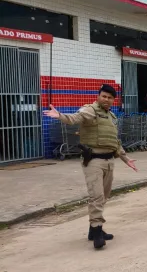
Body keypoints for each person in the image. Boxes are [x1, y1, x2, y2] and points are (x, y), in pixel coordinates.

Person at [44, 84, 138, 249]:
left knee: (103, 196)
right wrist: (59, 115)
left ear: (113, 100)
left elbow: (115, 142)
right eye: (104, 96)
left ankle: (92, 229)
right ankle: (97, 232)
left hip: (109, 162)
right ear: (98, 96)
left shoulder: (112, 117)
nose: (106, 100)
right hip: (93, 161)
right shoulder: (90, 110)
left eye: (110, 98)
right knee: (96, 196)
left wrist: (126, 159)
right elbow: (74, 118)